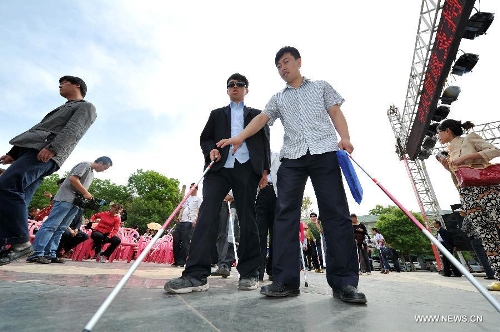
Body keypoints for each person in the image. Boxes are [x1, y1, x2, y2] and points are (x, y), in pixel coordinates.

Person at [217, 47, 366, 303]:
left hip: (324, 152)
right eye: (278, 66)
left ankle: (344, 283)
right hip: (292, 159)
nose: (282, 68)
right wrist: (239, 137)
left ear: (298, 62)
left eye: (286, 62)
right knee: (284, 215)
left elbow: (335, 112)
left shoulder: (320, 86)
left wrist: (345, 138)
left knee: (336, 214)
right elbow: (262, 119)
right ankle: (285, 280)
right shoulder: (278, 98)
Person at [164, 73, 271, 294]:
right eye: (231, 85)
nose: (235, 87)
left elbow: (264, 142)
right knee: (207, 216)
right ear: (227, 90)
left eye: (239, 85)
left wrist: (265, 170)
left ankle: (250, 273)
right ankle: (195, 275)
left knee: (248, 218)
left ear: (246, 90)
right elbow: (205, 138)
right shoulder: (217, 114)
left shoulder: (257, 115)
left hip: (246, 168)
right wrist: (210, 149)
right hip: (219, 167)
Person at [0, 76, 96, 266]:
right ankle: (3, 245)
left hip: (44, 152)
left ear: (77, 85)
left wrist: (54, 148)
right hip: (33, 150)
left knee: (6, 187)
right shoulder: (63, 108)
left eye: (64, 82)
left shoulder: (85, 107)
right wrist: (14, 153)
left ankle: (20, 242)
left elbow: (73, 130)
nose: (60, 85)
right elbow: (38, 129)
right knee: (18, 196)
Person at [26, 157, 112, 264]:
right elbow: (73, 179)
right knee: (51, 226)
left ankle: (51, 253)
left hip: (75, 203)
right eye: (105, 167)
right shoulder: (85, 165)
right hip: (65, 199)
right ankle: (36, 253)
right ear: (100, 162)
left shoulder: (91, 172)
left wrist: (87, 195)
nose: (104, 170)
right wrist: (85, 192)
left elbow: (80, 187)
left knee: (61, 228)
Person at [255, 151, 279, 281]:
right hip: (261, 193)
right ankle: (258, 270)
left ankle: (273, 269)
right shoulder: (256, 156)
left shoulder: (278, 155)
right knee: (260, 232)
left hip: (276, 195)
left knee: (276, 233)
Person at [456, 207, 495, 279]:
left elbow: (464, 229)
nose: (459, 213)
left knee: (482, 257)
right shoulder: (476, 216)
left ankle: (490, 274)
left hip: (475, 239)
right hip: (484, 237)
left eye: (460, 212)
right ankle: (495, 271)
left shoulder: (467, 218)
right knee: (489, 255)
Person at [172, 183, 202, 267]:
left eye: (192, 188)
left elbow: (199, 210)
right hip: (181, 221)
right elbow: (183, 208)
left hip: (189, 221)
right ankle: (176, 260)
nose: (191, 189)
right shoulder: (187, 198)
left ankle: (182, 261)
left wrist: (196, 220)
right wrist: (179, 216)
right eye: (190, 187)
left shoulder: (198, 199)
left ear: (196, 189)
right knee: (176, 240)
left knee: (185, 242)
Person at [212, 192, 240, 278]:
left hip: (233, 201)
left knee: (232, 234)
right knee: (221, 234)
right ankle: (221, 265)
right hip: (221, 201)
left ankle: (226, 264)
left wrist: (231, 194)